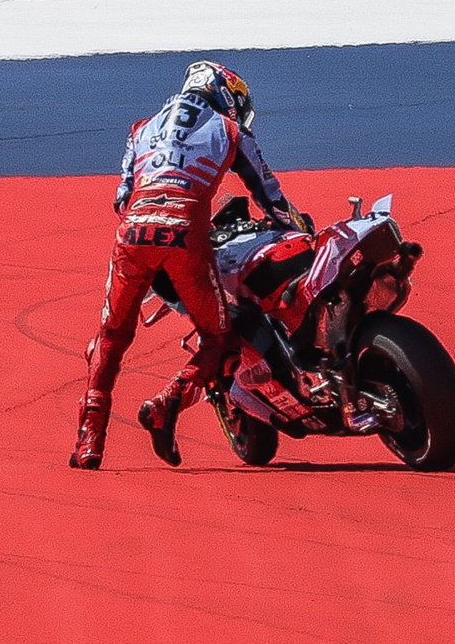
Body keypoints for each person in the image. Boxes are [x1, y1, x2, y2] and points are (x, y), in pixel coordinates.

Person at [71, 61, 308, 469]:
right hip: (185, 236)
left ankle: (89, 441)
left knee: (111, 335)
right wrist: (299, 227)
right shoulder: (229, 129)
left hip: (133, 235)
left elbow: (122, 198)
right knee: (220, 337)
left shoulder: (141, 129)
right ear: (224, 94)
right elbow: (268, 193)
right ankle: (168, 402)